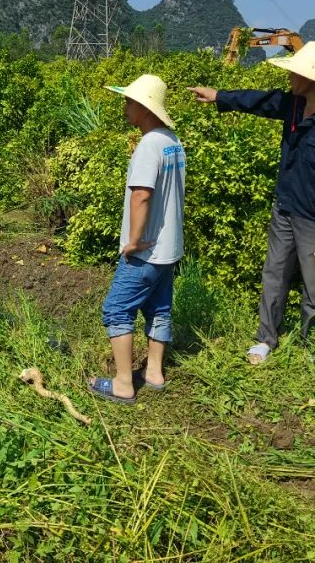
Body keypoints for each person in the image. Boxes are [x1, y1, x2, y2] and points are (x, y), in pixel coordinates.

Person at [188, 40, 315, 364]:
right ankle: (266, 338)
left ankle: (313, 346)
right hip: (285, 208)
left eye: (296, 72)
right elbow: (259, 101)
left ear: (314, 78)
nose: (290, 77)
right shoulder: (293, 103)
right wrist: (218, 96)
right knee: (274, 274)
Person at [88, 75, 186, 405]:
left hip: (145, 251)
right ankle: (154, 373)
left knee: (116, 310)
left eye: (129, 102)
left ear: (144, 108)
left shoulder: (147, 146)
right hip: (168, 248)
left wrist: (132, 240)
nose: (125, 107)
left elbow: (142, 195)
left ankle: (122, 383)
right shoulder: (173, 141)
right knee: (159, 309)